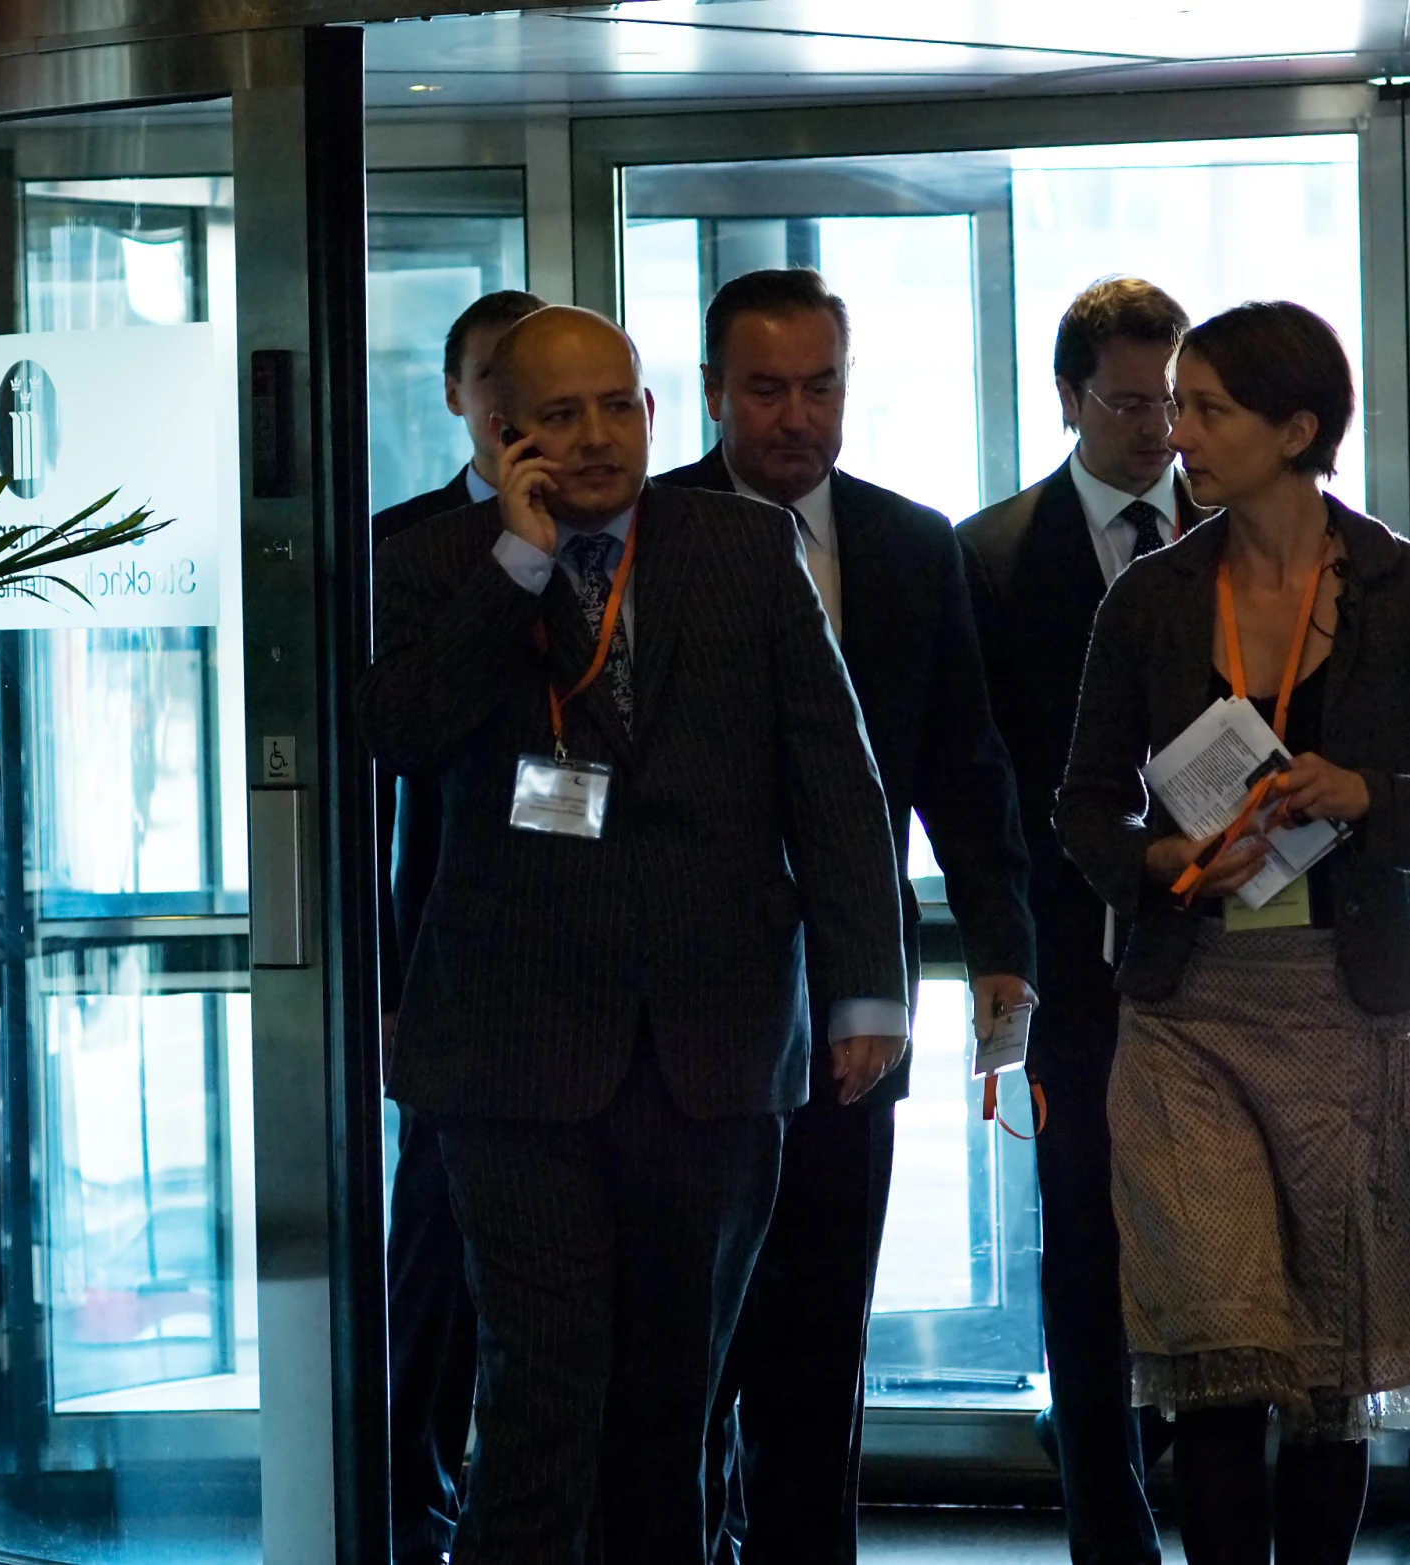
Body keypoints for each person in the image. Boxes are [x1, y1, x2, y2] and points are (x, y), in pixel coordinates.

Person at [359, 305, 908, 1565]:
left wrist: (864, 995)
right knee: (541, 1395)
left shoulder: (739, 546)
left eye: (618, 406)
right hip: (515, 1059)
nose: (597, 436)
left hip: (713, 1051)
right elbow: (402, 735)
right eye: (559, 415)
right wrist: (516, 560)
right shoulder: (434, 563)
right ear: (502, 434)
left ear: (658, 413)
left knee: (674, 1404)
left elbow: (832, 775)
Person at [1055, 301, 1410, 1565]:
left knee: (1327, 1364)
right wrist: (1159, 857)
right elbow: (1079, 803)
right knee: (1220, 1352)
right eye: (1174, 406)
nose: (1179, 433)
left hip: (1348, 1004)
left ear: (1296, 429)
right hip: (1187, 1010)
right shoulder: (1153, 598)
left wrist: (1363, 797)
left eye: (1208, 408)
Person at [657, 267, 1036, 1565]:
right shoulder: (643, 536)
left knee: (822, 1319)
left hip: (850, 1004)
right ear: (710, 393)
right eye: (763, 389)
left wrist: (1000, 955)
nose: (794, 417)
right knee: (684, 1329)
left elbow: (961, 771)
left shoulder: (904, 544)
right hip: (678, 1007)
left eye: (819, 386)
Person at [960, 276, 1200, 1565]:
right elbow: (978, 774)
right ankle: (1105, 1519)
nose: (1155, 427)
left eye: (1172, 400)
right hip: (1072, 956)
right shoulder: (992, 555)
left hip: (1233, 949)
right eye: (1126, 401)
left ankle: (1218, 1496)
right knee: (1086, 1230)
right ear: (1067, 397)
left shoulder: (1242, 532)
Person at [371, 286, 545, 1565]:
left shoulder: (645, 530)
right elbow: (384, 789)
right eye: (491, 379)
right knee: (436, 1237)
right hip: (450, 958)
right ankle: (412, 1486)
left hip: (604, 963)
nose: (511, 406)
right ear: (456, 395)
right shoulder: (407, 544)